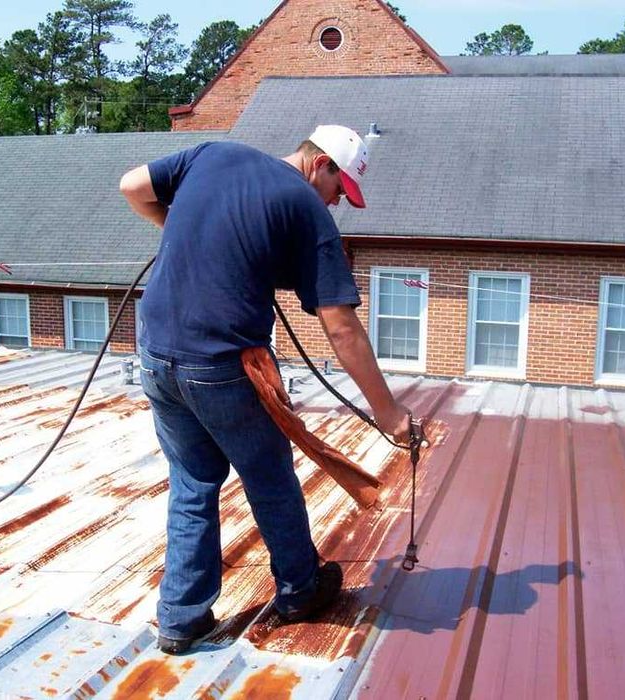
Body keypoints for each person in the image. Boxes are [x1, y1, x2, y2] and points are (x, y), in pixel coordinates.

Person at [119, 125, 411, 655]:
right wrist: (388, 413)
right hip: (221, 363)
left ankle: (181, 618)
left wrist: (189, 242)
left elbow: (131, 186)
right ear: (320, 165)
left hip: (155, 354)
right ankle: (300, 589)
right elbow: (339, 324)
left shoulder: (212, 154)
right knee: (269, 473)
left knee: (193, 478)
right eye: (339, 189)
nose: (336, 202)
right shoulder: (305, 204)